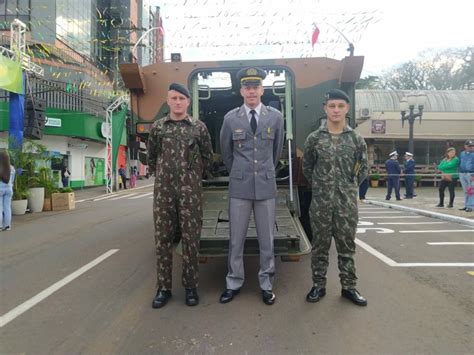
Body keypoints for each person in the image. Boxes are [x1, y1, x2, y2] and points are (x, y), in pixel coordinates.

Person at [219, 67, 284, 306]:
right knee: (236, 239)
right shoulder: (230, 118)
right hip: (240, 187)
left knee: (267, 239)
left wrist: (265, 170)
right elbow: (226, 152)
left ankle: (266, 284)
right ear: (241, 91)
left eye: (255, 87)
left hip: (266, 187)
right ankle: (233, 282)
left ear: (262, 89)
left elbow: (275, 151)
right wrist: (238, 171)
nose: (251, 91)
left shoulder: (275, 117)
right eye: (247, 87)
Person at [147, 83, 213, 308]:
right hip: (164, 193)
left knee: (191, 240)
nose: (177, 102)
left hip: (190, 194)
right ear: (168, 101)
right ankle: (163, 288)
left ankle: (191, 287)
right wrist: (166, 176)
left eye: (181, 99)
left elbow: (207, 156)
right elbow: (152, 156)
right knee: (163, 240)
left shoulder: (198, 128)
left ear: (188, 102)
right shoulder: (157, 128)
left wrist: (191, 177)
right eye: (173, 98)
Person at [302, 89, 368, 306]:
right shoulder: (314, 139)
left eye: (340, 106)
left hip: (346, 205)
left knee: (346, 247)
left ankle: (349, 287)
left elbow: (363, 169)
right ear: (325, 109)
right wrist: (322, 187)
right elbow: (307, 167)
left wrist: (347, 188)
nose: (336, 110)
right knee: (320, 246)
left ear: (347, 109)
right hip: (320, 203)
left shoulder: (357, 139)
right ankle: (318, 285)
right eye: (332, 106)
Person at [0, 151, 15, 231]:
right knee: (7, 207)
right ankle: (7, 225)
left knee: (0, 207)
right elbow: (12, 180)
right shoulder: (12, 168)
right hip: (9, 189)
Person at [458, 140, 474, 212]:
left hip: (471, 174)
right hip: (462, 173)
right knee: (466, 191)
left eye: (472, 146)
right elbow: (460, 162)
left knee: (471, 190)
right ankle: (466, 205)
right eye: (469, 146)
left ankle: (471, 206)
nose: (471, 147)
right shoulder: (462, 154)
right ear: (465, 146)